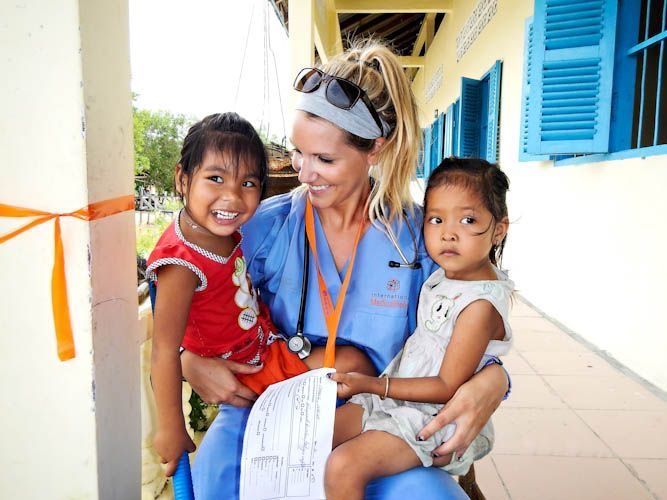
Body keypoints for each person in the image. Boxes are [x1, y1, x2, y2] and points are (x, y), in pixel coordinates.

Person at [183, 41, 511, 499]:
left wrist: (494, 379)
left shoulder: (422, 241)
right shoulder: (264, 228)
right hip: (271, 415)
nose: (304, 173)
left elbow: (470, 321)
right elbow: (186, 289)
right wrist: (189, 360)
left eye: (325, 159)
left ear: (375, 149)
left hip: (376, 421)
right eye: (299, 152)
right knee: (216, 473)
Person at [146, 112, 374, 476]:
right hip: (250, 367)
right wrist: (170, 427)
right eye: (215, 179)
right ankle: (333, 445)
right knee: (356, 366)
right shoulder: (181, 263)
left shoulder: (227, 233)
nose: (232, 197)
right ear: (182, 178)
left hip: (264, 347)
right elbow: (163, 350)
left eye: (249, 183)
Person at [324, 158, 513, 499]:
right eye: (436, 219)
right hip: (396, 400)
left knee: (343, 466)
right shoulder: (447, 275)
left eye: (468, 220)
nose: (448, 233)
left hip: (432, 417)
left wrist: (370, 384)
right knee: (318, 436)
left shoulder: (480, 305)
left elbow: (445, 386)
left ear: (499, 229)